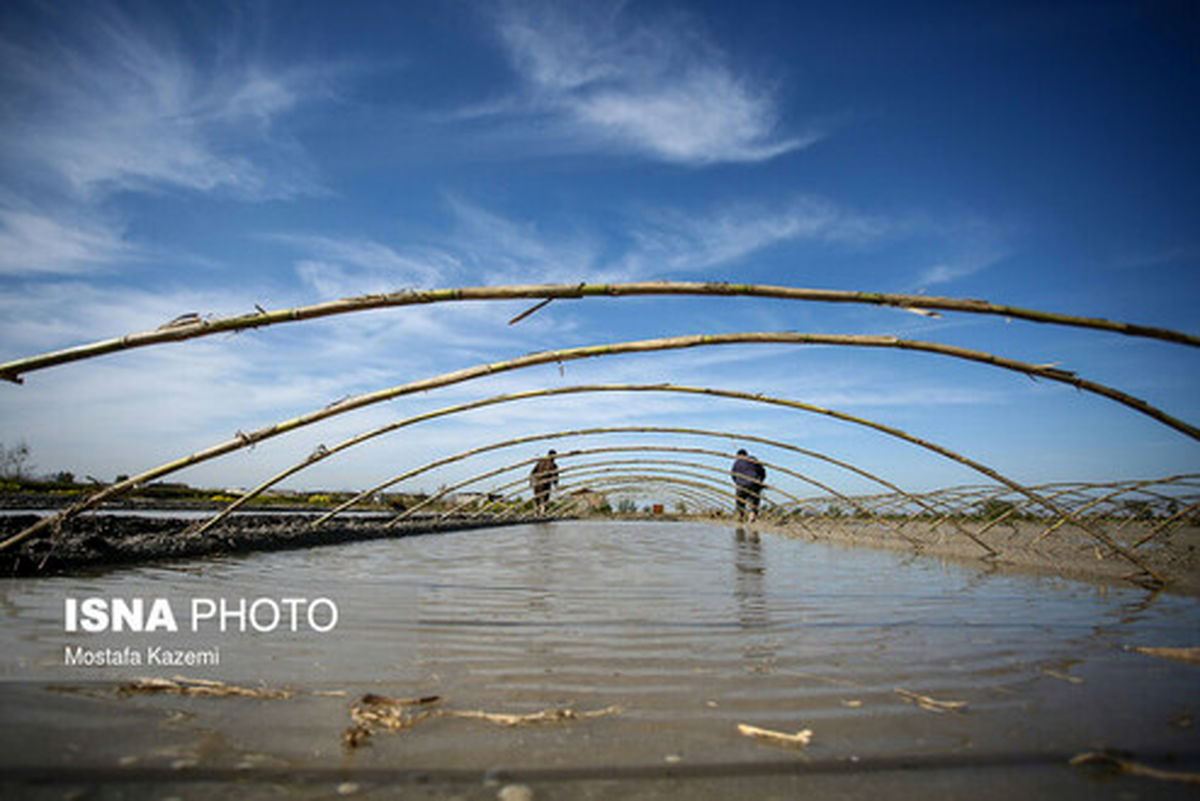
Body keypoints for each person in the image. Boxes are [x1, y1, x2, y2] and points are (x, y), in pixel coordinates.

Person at [731, 449, 766, 523]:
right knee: (754, 501)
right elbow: (762, 471)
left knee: (740, 501)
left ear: (738, 455)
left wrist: (738, 482)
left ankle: (741, 516)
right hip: (753, 483)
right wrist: (760, 481)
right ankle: (752, 516)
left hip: (741, 485)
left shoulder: (736, 463)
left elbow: (733, 475)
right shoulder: (753, 460)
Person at [530, 449, 559, 516]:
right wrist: (532, 481)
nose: (554, 458)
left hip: (545, 484)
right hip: (539, 482)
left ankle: (543, 512)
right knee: (539, 498)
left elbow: (555, 476)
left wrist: (555, 483)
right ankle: (538, 512)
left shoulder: (554, 465)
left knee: (544, 499)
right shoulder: (542, 462)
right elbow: (533, 472)